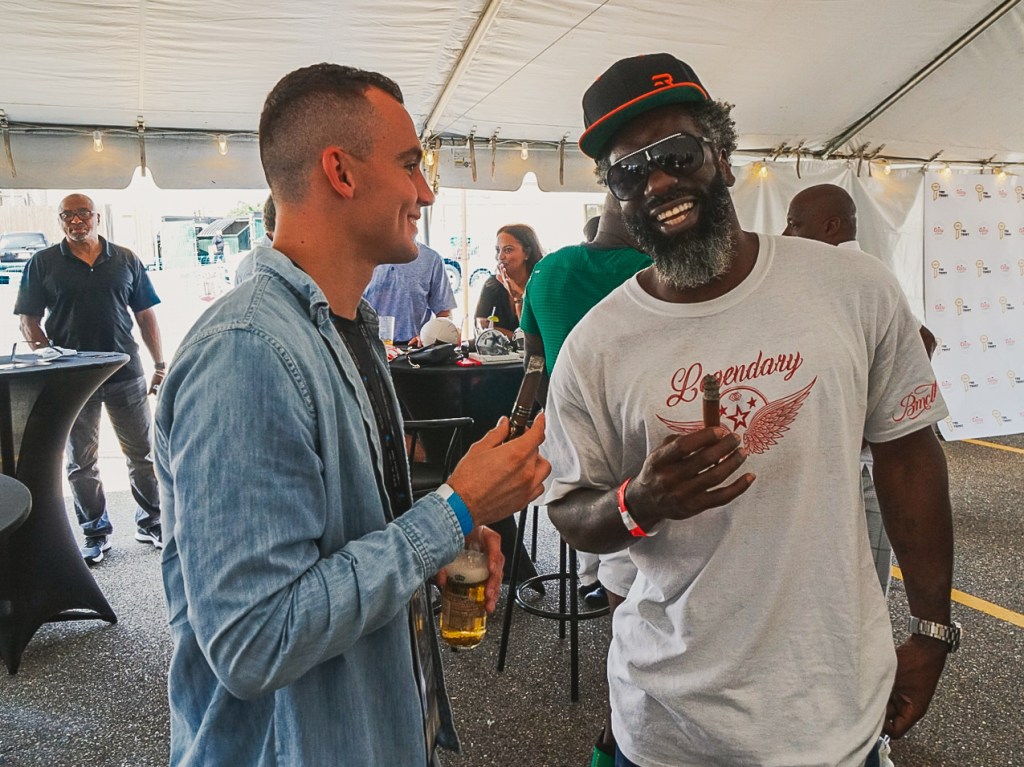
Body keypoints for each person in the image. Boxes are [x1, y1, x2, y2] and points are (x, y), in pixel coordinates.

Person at [545, 53, 956, 767]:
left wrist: (932, 628)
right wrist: (640, 502)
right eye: (628, 171)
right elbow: (570, 509)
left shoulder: (852, 287)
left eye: (676, 153)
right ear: (616, 195)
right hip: (667, 729)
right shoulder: (596, 345)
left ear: (723, 156)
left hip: (832, 715)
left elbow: (908, 452)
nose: (658, 181)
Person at [153, 63, 549, 766]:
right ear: (340, 171)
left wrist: (436, 544)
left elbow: (340, 540)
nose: (425, 192)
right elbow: (255, 640)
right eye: (410, 165)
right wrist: (453, 510)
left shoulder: (349, 327)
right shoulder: (246, 352)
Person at [519, 192, 651, 767]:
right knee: (649, 565)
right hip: (637, 440)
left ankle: (602, 592)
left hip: (562, 440)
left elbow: (533, 359)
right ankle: (620, 721)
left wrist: (526, 425)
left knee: (608, 541)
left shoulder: (545, 271)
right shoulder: (651, 270)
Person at [783, 183, 938, 595]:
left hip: (860, 467)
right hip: (845, 463)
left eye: (794, 224)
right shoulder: (845, 273)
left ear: (831, 226)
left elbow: (923, 341)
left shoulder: (847, 274)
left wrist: (868, 424)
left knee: (857, 584)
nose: (785, 235)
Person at [15, 193, 165, 565]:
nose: (76, 220)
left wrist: (160, 364)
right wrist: (51, 358)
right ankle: (95, 532)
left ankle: (151, 523)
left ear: (97, 217)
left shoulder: (125, 259)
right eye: (67, 215)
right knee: (81, 461)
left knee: (142, 454)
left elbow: (145, 315)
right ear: (60, 220)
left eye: (83, 213)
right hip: (72, 379)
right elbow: (28, 320)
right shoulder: (43, 262)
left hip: (125, 372)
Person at [363, 241, 457, 345]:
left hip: (414, 347)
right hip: (369, 346)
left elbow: (444, 313)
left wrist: (428, 336)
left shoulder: (431, 259)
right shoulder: (362, 256)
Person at [474, 223, 544, 336]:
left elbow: (533, 337)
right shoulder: (492, 285)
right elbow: (481, 330)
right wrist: (514, 336)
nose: (500, 257)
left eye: (508, 250)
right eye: (498, 250)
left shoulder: (541, 285)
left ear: (527, 253)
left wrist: (518, 298)